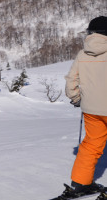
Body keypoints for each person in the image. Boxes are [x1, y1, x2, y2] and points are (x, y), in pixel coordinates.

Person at [62, 16, 107, 198]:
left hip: (91, 110)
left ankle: (81, 183)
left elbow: (71, 80)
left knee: (91, 145)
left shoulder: (82, 54)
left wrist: (76, 98)